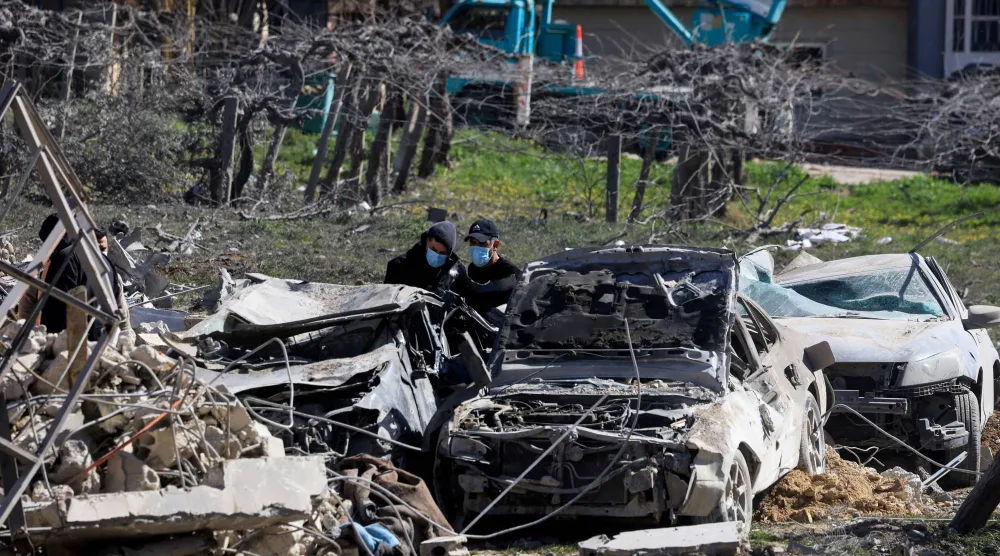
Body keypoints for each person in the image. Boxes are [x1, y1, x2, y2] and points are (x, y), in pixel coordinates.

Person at [385, 221, 469, 295]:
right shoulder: (398, 266)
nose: (437, 255)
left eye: (442, 253)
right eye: (433, 249)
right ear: (426, 242)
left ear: (449, 254)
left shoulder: (454, 274)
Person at [464, 219, 520, 316]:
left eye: (482, 243)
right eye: (472, 242)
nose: (476, 247)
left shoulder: (510, 272)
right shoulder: (472, 269)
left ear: (495, 245)